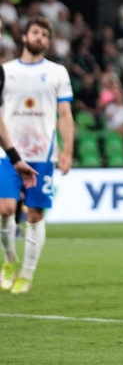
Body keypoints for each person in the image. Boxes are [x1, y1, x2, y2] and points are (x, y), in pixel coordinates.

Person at [0, 16, 74, 294]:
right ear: (24, 36)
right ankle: (9, 259)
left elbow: (65, 114)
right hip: (7, 153)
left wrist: (67, 150)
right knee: (5, 209)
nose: (39, 37)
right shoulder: (5, 71)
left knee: (34, 215)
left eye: (44, 34)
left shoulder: (57, 72)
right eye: (35, 32)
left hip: (43, 154)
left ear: (48, 41)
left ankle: (26, 275)